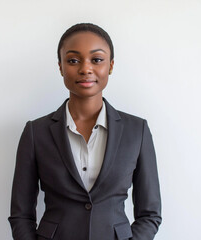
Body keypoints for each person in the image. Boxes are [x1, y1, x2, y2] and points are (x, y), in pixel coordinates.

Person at [8, 23, 162, 240]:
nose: (85, 69)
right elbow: (21, 215)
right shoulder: (36, 132)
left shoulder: (138, 131)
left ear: (110, 65)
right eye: (73, 60)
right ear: (60, 66)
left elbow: (150, 214)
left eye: (97, 60)